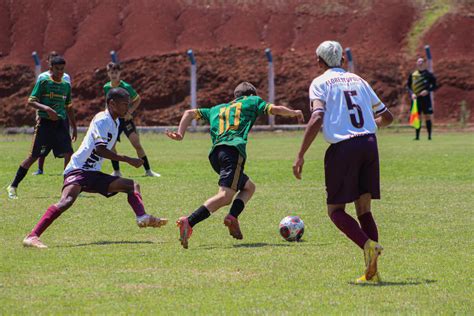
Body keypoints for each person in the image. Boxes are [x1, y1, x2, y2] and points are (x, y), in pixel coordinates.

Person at [292, 41, 394, 284]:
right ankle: (373, 273)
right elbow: (387, 117)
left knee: (336, 211)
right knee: (364, 210)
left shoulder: (319, 83)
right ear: (343, 61)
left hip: (343, 148)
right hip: (369, 144)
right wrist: (370, 126)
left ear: (319, 62)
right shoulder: (360, 80)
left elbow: (317, 116)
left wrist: (300, 154)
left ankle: (368, 245)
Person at [22, 87, 168, 249]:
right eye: (124, 104)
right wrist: (127, 159)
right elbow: (100, 149)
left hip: (92, 173)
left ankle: (141, 216)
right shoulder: (101, 120)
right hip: (78, 169)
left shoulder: (116, 122)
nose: (127, 107)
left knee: (132, 185)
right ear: (112, 104)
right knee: (66, 202)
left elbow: (106, 149)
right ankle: (32, 236)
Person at [167, 81, 304, 249]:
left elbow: (189, 112)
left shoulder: (216, 109)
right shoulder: (253, 101)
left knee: (249, 187)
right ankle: (189, 221)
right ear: (251, 94)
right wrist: (294, 112)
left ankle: (232, 217)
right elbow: (274, 109)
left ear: (235, 97)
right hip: (232, 152)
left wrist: (181, 133)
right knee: (225, 196)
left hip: (216, 155)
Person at [7, 56, 77, 199]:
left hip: (61, 125)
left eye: (62, 69)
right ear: (50, 68)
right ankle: (13, 186)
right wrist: (47, 109)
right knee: (33, 157)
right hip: (45, 124)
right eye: (57, 69)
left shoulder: (66, 85)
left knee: (69, 154)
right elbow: (31, 101)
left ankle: (67, 188)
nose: (60, 72)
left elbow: (69, 106)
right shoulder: (43, 81)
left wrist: (74, 126)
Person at [103, 62, 160, 177]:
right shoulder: (106, 87)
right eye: (111, 72)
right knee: (112, 146)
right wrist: (106, 116)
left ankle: (148, 171)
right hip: (114, 121)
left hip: (126, 120)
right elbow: (108, 103)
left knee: (136, 144)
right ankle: (117, 171)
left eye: (116, 72)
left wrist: (129, 112)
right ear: (108, 73)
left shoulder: (126, 87)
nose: (114, 75)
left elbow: (137, 99)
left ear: (120, 73)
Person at [33, 51, 74, 175]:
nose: (60, 71)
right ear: (49, 63)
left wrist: (71, 121)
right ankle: (40, 168)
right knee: (42, 145)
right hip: (46, 117)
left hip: (61, 116)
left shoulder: (66, 78)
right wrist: (38, 114)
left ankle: (66, 172)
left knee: (67, 146)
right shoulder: (43, 78)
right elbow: (36, 98)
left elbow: (67, 98)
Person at [407, 57, 437, 140]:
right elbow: (408, 86)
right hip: (416, 99)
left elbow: (434, 86)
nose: (420, 63)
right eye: (418, 62)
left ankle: (429, 136)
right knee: (417, 117)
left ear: (424, 64)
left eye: (421, 62)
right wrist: (412, 94)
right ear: (416, 63)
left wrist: (427, 91)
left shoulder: (428, 74)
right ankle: (417, 137)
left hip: (426, 99)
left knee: (427, 116)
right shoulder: (413, 74)